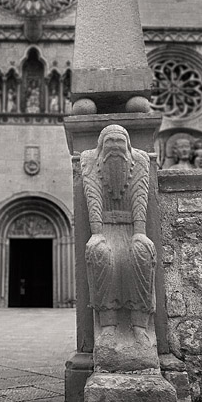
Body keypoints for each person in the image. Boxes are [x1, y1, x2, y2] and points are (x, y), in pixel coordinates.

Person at [80, 125, 159, 369]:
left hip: (131, 228)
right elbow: (92, 197)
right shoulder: (89, 162)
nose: (114, 145)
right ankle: (109, 326)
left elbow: (139, 196)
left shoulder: (140, 162)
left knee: (141, 253)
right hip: (104, 228)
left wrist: (139, 234)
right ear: (101, 146)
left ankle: (138, 327)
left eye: (119, 141)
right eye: (109, 141)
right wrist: (96, 234)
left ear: (128, 145)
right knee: (99, 252)